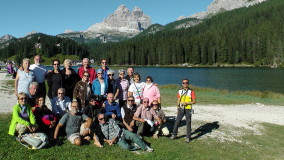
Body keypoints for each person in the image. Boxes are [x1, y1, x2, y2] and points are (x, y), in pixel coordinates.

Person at [169, 78, 196, 143]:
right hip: (181, 108)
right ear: (182, 84)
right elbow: (178, 100)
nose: (185, 84)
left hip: (188, 108)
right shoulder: (180, 91)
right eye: (183, 83)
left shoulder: (191, 91)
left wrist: (187, 103)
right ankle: (174, 135)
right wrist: (177, 107)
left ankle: (188, 137)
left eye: (186, 83)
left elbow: (194, 101)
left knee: (188, 122)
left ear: (188, 83)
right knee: (177, 122)